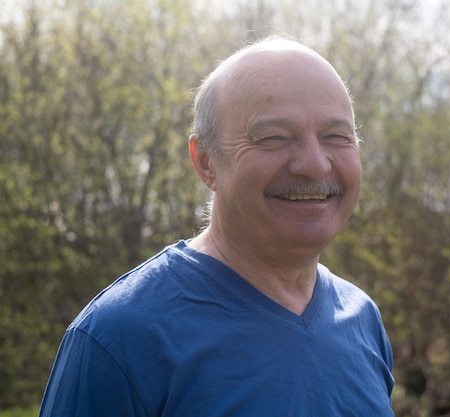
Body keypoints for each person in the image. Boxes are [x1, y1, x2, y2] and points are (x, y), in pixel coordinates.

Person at [39, 35, 395, 417]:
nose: (314, 163)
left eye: (336, 136)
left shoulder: (362, 320)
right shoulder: (119, 338)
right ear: (207, 162)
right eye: (273, 137)